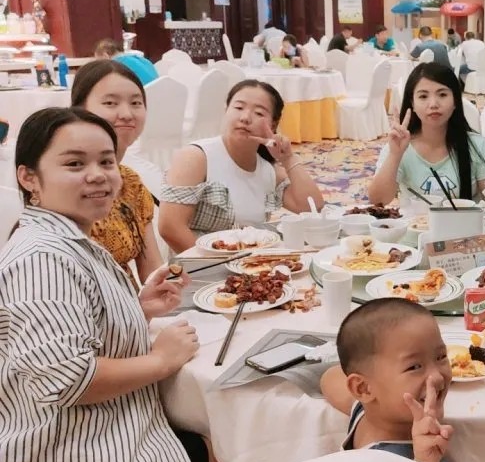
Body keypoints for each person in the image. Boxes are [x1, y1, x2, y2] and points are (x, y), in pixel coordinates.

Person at [0, 107, 226, 462]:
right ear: (29, 177)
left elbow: (69, 329)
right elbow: (67, 378)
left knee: (211, 439)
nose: (98, 175)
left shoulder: (65, 239)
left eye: (106, 161)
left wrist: (137, 309)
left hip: (90, 440)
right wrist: (162, 360)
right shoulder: (42, 257)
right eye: (74, 163)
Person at [159, 80, 324, 252]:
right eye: (238, 108)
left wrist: (288, 158)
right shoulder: (197, 157)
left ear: (273, 125)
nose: (245, 118)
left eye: (259, 113)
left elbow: (312, 207)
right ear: (226, 111)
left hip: (248, 262)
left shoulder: (267, 170)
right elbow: (170, 228)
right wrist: (217, 263)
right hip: (197, 264)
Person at [320, 299, 454, 462]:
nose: (436, 377)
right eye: (414, 367)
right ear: (363, 389)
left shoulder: (368, 411)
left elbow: (329, 376)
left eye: (441, 357)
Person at [70, 60, 162, 283]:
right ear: (79, 110)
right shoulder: (70, 184)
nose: (127, 114)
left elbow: (153, 270)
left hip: (136, 301)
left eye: (136, 103)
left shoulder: (130, 182)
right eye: (110, 103)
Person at [368, 63, 485, 204]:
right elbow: (378, 201)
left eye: (442, 94)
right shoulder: (399, 146)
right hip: (415, 218)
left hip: (464, 219)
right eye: (423, 96)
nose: (433, 104)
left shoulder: (477, 146)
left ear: (455, 101)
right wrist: (395, 155)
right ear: (412, 103)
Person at [93, 38, 159, 86]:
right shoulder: (139, 59)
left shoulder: (116, 67)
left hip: (145, 95)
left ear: (106, 56)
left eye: (99, 61)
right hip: (159, 90)